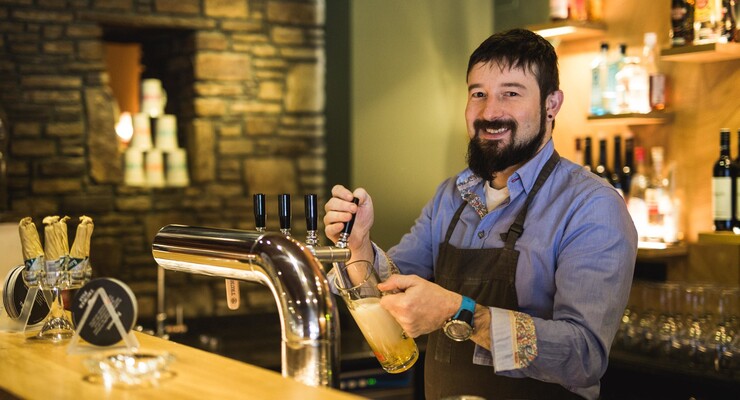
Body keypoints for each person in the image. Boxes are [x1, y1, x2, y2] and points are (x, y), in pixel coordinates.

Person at [324, 29, 637, 400]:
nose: (490, 112)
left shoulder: (591, 206)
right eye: (478, 94)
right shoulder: (450, 196)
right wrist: (358, 248)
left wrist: (459, 313)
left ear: (552, 104)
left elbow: (583, 356)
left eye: (511, 93)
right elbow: (387, 297)